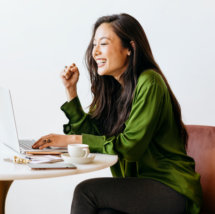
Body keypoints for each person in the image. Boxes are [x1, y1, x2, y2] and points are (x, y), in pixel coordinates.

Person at [32, 13, 202, 214]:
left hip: (171, 189)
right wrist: (71, 91)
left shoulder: (150, 82)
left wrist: (70, 140)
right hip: (137, 187)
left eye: (103, 43)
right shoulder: (113, 89)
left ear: (129, 48)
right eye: (94, 44)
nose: (95, 52)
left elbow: (130, 147)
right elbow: (94, 136)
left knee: (85, 192)